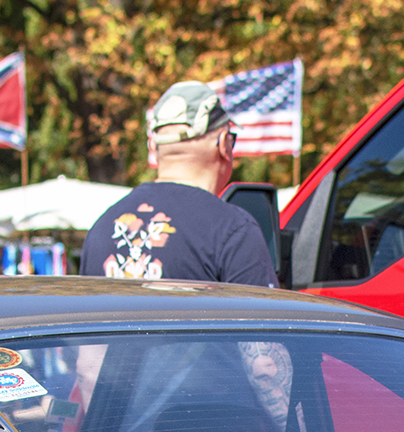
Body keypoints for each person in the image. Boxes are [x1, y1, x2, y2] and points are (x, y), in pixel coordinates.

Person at [81, 81, 276, 286]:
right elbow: (264, 307)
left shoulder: (101, 229)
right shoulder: (232, 230)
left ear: (154, 146)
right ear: (223, 144)